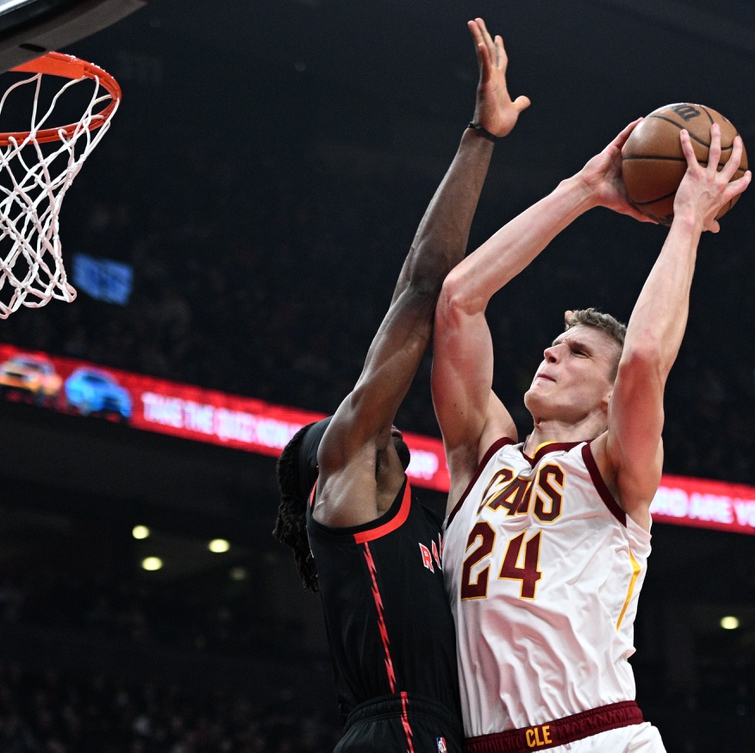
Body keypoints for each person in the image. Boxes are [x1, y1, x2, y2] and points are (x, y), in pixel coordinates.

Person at [432, 122, 750, 752]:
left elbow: (643, 361)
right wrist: (582, 188)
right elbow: (458, 300)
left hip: (596, 737)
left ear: (608, 397)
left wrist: (686, 221)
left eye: (577, 352)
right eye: (554, 344)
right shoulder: (480, 453)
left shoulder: (615, 469)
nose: (551, 352)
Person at [272, 18, 529, 753]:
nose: (361, 416)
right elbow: (421, 287)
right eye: (342, 422)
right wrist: (480, 139)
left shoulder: (411, 523)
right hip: (397, 732)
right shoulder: (345, 484)